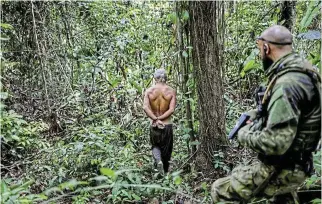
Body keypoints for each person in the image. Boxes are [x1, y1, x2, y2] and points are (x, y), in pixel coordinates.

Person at [211, 25, 321, 203]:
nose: (260, 54)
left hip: (284, 167)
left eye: (259, 49)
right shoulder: (303, 71)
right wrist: (259, 113)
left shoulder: (287, 84)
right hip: (298, 162)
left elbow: (276, 143)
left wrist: (244, 134)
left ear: (266, 47)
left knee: (220, 190)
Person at [143, 68, 176, 174]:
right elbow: (171, 109)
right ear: (165, 78)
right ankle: (165, 174)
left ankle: (158, 161)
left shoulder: (149, 91)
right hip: (166, 125)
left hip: (154, 125)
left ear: (155, 78)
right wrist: (161, 119)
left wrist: (155, 119)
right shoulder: (171, 91)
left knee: (155, 145)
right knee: (166, 150)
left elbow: (145, 107)